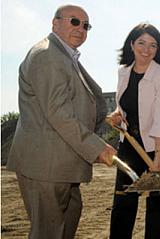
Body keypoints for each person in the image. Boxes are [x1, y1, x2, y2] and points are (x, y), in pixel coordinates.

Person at [6, 4, 116, 239]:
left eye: (86, 25)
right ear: (55, 23)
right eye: (74, 21)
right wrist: (97, 147)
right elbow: (58, 112)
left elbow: (71, 102)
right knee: (48, 231)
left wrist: (105, 116)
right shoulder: (48, 55)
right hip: (46, 164)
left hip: (62, 163)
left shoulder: (64, 55)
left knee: (69, 218)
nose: (81, 28)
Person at [108, 23, 160, 239]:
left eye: (153, 45)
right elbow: (127, 104)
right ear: (131, 44)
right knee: (123, 199)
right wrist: (117, 115)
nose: (146, 49)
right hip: (130, 144)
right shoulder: (123, 72)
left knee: (158, 203)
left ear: (158, 49)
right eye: (141, 43)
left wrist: (157, 157)